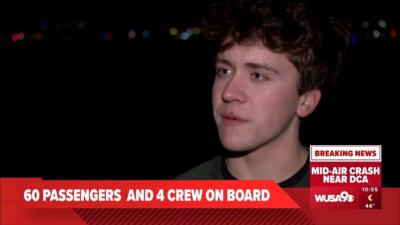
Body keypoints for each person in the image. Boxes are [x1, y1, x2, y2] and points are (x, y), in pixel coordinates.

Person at [176, 0, 350, 187]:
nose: (228, 93)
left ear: (306, 101)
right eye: (224, 71)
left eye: (257, 76)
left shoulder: (354, 194)